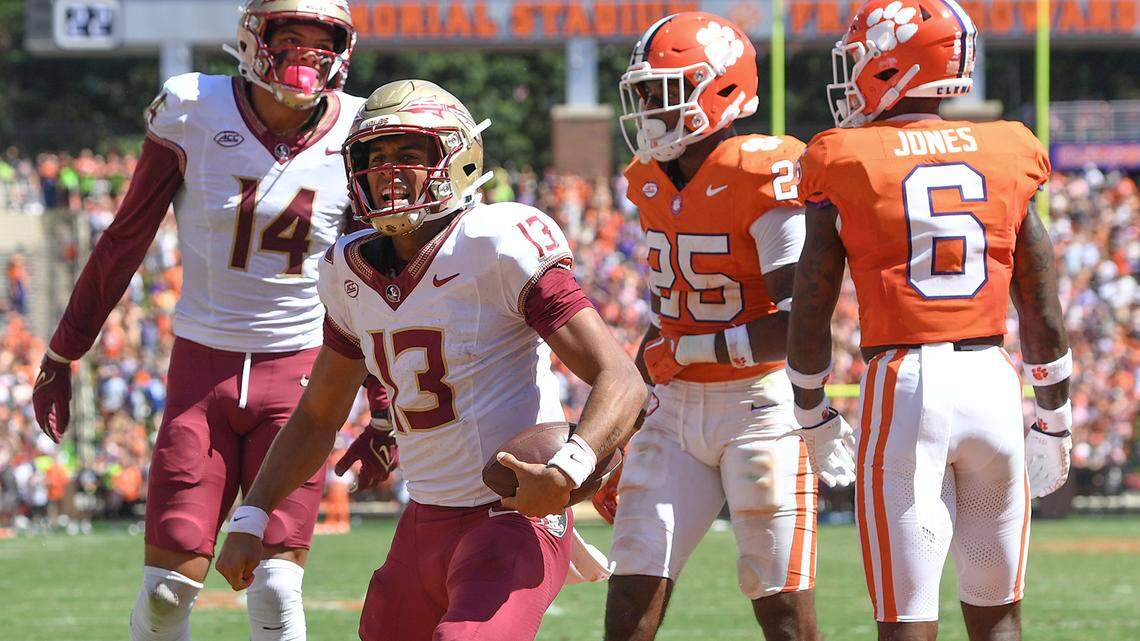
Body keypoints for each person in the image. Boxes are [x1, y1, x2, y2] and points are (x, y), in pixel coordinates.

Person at [214, 79, 646, 641]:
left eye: (410, 154)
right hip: (423, 521)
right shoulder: (347, 272)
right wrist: (253, 514)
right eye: (376, 157)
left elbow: (622, 378)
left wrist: (566, 471)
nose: (389, 171)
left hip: (513, 517)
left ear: (457, 160)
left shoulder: (496, 242)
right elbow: (319, 415)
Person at [29, 1, 388, 639]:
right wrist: (64, 351)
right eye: (291, 38)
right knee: (168, 590)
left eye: (320, 41)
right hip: (203, 367)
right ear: (255, 40)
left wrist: (381, 400)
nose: (307, 55)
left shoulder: (359, 130)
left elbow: (371, 272)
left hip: (301, 375)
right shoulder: (195, 108)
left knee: (277, 588)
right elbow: (126, 238)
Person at [788, 1, 1072, 639]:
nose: (853, 72)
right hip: (994, 384)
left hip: (907, 384)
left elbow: (813, 299)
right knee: (999, 617)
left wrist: (809, 409)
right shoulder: (1010, 146)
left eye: (862, 57)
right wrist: (1054, 417)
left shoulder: (844, 155)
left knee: (907, 618)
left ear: (896, 63)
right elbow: (1041, 300)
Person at [598, 12, 854, 641]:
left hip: (760, 407)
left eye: (666, 90)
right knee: (631, 579)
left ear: (719, 89)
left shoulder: (764, 171)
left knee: (781, 606)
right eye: (646, 92)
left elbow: (800, 324)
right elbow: (664, 329)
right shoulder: (647, 180)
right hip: (675, 407)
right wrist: (613, 436)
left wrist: (687, 348)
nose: (650, 107)